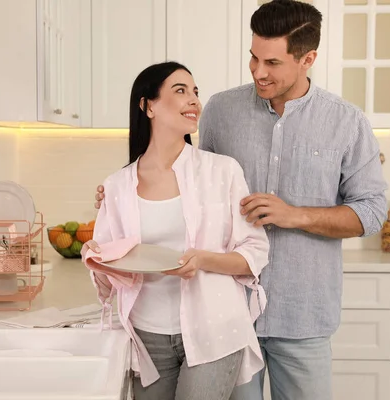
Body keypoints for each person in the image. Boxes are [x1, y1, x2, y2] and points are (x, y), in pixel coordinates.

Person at [95, 1, 388, 399]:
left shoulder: (346, 121)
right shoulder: (221, 109)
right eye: (253, 57)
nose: (258, 71)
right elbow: (191, 179)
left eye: (272, 62)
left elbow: (371, 213)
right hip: (222, 316)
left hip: (301, 314)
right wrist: (124, 193)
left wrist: (294, 215)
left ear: (308, 59)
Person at [81, 61, 271, 400]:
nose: (194, 100)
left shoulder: (222, 171)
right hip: (146, 334)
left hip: (214, 327)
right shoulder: (117, 186)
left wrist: (203, 261)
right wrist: (97, 258)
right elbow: (110, 279)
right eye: (180, 90)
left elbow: (254, 251)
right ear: (148, 105)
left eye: (195, 92)